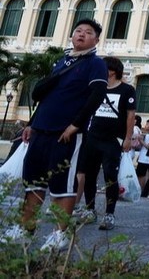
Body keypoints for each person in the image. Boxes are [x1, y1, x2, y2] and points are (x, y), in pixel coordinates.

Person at [12, 19, 108, 251]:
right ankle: (26, 228)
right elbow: (47, 97)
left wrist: (75, 125)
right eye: (78, 31)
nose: (81, 35)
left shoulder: (95, 64)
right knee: (33, 182)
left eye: (88, 32)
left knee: (62, 184)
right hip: (41, 130)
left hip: (65, 133)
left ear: (96, 39)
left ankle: (59, 234)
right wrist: (32, 123)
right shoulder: (62, 62)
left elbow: (96, 95)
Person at [74, 56, 137, 230]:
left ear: (112, 71)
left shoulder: (127, 90)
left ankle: (109, 213)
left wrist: (128, 138)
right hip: (93, 136)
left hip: (113, 140)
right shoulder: (96, 88)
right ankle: (90, 209)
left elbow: (131, 115)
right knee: (89, 175)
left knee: (110, 175)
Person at [136, 119, 149, 190]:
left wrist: (141, 141)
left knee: (144, 175)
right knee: (139, 175)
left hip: (146, 159)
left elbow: (148, 147)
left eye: (147, 124)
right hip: (142, 157)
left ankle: (144, 190)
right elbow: (140, 147)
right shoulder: (144, 134)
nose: (145, 125)